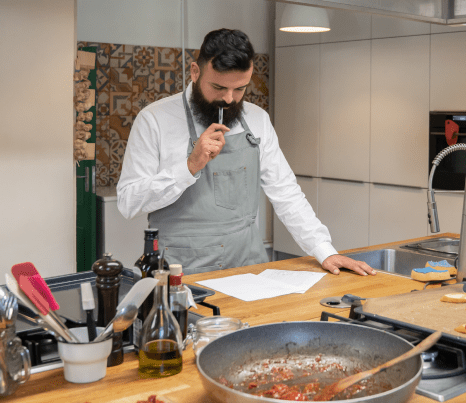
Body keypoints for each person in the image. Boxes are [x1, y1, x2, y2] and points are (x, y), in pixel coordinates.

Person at [117, 28, 375, 276]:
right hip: (180, 273)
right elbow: (128, 203)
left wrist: (323, 250)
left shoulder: (257, 118)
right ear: (195, 72)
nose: (229, 99)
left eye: (239, 89)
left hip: (248, 268)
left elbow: (285, 191)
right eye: (218, 88)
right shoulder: (154, 120)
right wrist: (189, 167)